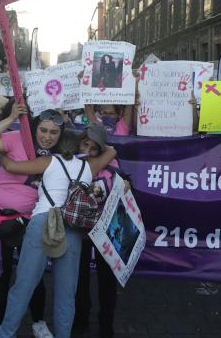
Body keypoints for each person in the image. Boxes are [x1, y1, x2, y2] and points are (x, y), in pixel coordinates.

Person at [0, 130, 117, 338]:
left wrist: (1, 154)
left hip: (43, 220)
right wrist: (96, 151)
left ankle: (5, 334)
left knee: (23, 285)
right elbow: (112, 151)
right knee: (66, 294)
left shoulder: (47, 161)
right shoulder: (89, 166)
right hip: (72, 226)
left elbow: (9, 166)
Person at [0, 105, 66, 338]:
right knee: (1, 275)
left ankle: (38, 322)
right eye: (43, 130)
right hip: (1, 220)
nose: (47, 137)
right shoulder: (17, 138)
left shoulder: (63, 153)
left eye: (53, 133)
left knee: (33, 276)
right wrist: (11, 118)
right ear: (35, 127)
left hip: (35, 221)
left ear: (61, 135)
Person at [72, 123, 128, 338]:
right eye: (85, 143)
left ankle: (106, 322)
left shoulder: (111, 162)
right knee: (80, 276)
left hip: (106, 228)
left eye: (94, 146)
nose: (88, 149)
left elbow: (123, 181)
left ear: (101, 148)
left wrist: (126, 185)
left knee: (107, 278)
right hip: (80, 228)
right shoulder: (72, 162)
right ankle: (81, 319)